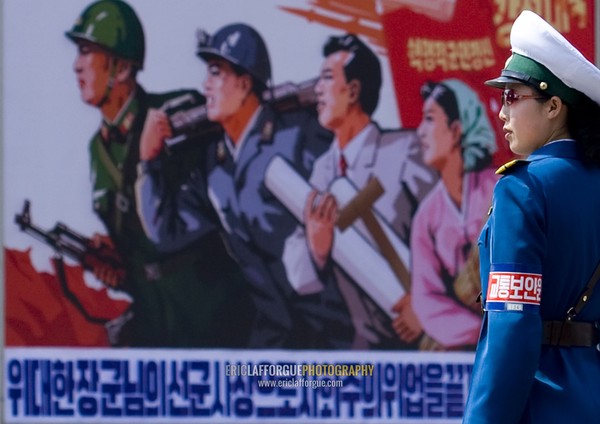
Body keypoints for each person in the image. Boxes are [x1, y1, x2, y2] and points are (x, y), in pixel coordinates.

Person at [136, 22, 354, 349]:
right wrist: (149, 163)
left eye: (215, 73)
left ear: (244, 82)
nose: (204, 85)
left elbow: (356, 210)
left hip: (330, 335)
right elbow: (165, 233)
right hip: (272, 340)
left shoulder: (299, 138)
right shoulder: (215, 164)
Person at [66, 0, 253, 347]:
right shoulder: (97, 150)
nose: (76, 65)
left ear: (121, 68)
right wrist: (113, 256)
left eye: (87, 51)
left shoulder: (179, 113)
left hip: (211, 309)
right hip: (156, 319)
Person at [463, 10, 600, 423]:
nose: (501, 112)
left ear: (554, 106)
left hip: (539, 402)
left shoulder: (523, 189)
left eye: (512, 97)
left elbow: (512, 327)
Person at [281, 33, 437, 349]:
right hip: (361, 350)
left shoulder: (405, 151)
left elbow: (452, 241)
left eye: (326, 78)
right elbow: (298, 275)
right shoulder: (322, 172)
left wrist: (427, 304)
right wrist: (316, 250)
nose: (317, 89)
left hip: (427, 342)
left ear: (353, 90)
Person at [410, 79, 497, 350]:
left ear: (456, 129)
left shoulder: (499, 190)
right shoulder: (427, 215)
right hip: (466, 344)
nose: (420, 131)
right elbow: (427, 298)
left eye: (429, 120)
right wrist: (478, 333)